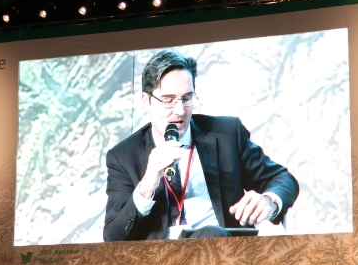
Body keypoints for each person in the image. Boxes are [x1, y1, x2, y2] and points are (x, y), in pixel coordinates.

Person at [103, 49, 299, 242]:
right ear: (147, 101)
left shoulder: (226, 134)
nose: (180, 111)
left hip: (223, 250)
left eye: (187, 98)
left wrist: (270, 201)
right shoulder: (123, 157)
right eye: (168, 101)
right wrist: (146, 187)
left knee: (211, 234)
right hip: (160, 259)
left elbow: (283, 179)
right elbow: (113, 237)